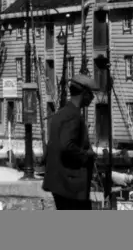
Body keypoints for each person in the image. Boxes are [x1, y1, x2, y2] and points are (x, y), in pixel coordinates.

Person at [42, 74, 100, 210]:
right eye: (91, 94)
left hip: (60, 184)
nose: (92, 98)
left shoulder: (61, 113)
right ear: (84, 93)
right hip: (70, 186)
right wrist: (87, 154)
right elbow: (67, 146)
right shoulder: (73, 116)